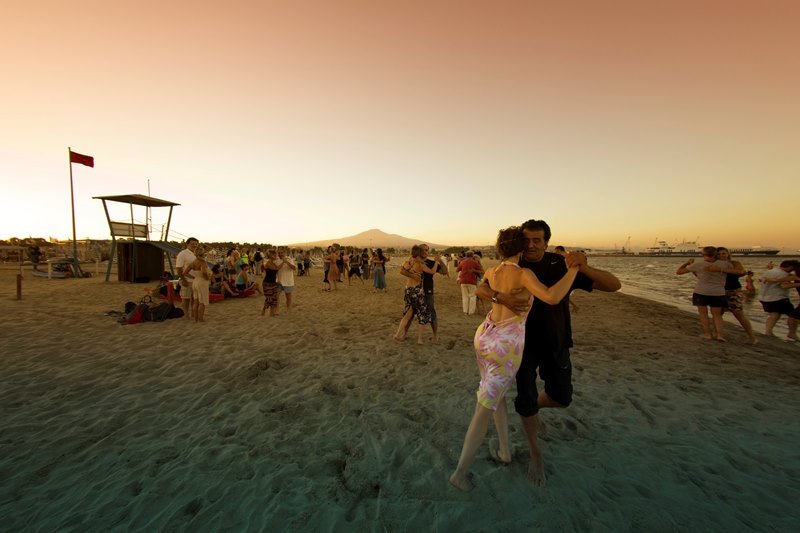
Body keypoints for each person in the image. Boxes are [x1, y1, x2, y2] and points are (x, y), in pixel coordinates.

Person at [475, 219, 621, 486]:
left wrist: (583, 266)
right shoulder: (515, 265)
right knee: (526, 400)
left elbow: (614, 285)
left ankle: (534, 410)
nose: (531, 245)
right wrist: (500, 297)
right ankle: (535, 453)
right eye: (526, 240)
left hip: (556, 342)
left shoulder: (560, 265)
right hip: (521, 347)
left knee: (561, 398)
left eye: (537, 240)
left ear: (546, 242)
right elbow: (482, 286)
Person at [449, 226, 579, 491]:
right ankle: (459, 474)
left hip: (485, 336)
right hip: (504, 345)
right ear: (521, 248)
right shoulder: (523, 274)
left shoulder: (491, 271)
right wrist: (574, 269)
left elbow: (480, 290)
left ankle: (505, 450)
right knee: (483, 408)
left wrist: (498, 295)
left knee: (495, 395)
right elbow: (552, 297)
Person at [676, 246, 731, 341]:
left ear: (703, 254)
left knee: (703, 314)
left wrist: (687, 263)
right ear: (716, 254)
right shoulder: (726, 264)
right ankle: (719, 335)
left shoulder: (698, 264)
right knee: (717, 315)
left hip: (701, 291)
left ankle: (707, 334)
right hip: (718, 292)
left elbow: (679, 272)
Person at [399, 244, 448, 341]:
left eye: (427, 250)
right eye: (424, 250)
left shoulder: (430, 263)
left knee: (431, 312)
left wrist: (440, 260)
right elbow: (402, 271)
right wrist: (413, 276)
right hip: (415, 291)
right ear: (419, 251)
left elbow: (444, 271)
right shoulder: (412, 261)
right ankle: (404, 334)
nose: (426, 252)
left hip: (427, 291)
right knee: (410, 313)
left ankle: (435, 336)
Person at [393, 245, 439, 344]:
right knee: (422, 314)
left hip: (408, 290)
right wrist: (436, 261)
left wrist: (411, 273)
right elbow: (432, 272)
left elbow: (402, 270)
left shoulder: (408, 262)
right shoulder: (420, 264)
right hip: (417, 291)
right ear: (419, 253)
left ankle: (398, 334)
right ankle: (420, 339)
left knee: (408, 314)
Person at [716, 247, 757, 344]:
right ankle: (717, 334)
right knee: (717, 314)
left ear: (728, 254)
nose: (721, 256)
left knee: (738, 313)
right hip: (719, 291)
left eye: (723, 253)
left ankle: (752, 337)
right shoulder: (714, 264)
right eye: (719, 254)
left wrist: (721, 269)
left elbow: (741, 272)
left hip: (733, 291)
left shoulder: (735, 263)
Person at [759, 260, 799, 340]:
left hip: (764, 297)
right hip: (778, 298)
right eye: (794, 268)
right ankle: (792, 333)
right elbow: (784, 286)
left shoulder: (770, 271)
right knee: (793, 315)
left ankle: (768, 332)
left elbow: (761, 279)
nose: (794, 270)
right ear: (790, 267)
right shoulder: (783, 274)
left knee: (774, 315)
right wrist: (797, 284)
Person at [176, 237, 200, 319]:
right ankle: (186, 314)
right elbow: (179, 268)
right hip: (187, 280)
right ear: (187, 244)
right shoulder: (183, 254)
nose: (194, 245)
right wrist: (183, 279)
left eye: (196, 244)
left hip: (196, 280)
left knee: (195, 298)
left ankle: (193, 313)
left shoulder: (196, 254)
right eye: (192, 244)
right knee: (186, 298)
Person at [186, 246, 211, 322]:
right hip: (202, 282)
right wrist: (207, 278)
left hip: (195, 281)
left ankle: (196, 318)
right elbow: (203, 272)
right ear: (203, 254)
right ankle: (201, 318)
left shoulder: (194, 262)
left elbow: (185, 272)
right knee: (202, 302)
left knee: (196, 300)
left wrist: (194, 277)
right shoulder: (202, 262)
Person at [457, 251, 483, 316]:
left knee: (465, 296)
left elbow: (457, 270)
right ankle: (471, 312)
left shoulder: (462, 262)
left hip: (463, 281)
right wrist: (474, 271)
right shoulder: (474, 262)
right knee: (472, 296)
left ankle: (465, 311)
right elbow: (482, 271)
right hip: (471, 281)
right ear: (472, 255)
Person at [276, 247, 297, 312]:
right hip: (279, 281)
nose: (280, 254)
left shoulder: (289, 259)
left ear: (284, 253)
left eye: (281, 252)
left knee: (288, 296)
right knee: (276, 296)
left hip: (288, 281)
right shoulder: (276, 260)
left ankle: (288, 309)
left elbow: (294, 268)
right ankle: (277, 309)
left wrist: (286, 262)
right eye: (279, 253)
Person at [261, 249, 281, 317]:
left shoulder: (273, 262)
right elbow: (277, 269)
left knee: (274, 298)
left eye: (276, 254)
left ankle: (272, 313)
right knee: (269, 298)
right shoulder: (268, 263)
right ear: (270, 255)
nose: (276, 255)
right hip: (267, 283)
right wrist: (284, 262)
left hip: (273, 283)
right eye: (274, 254)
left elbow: (277, 270)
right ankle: (264, 309)